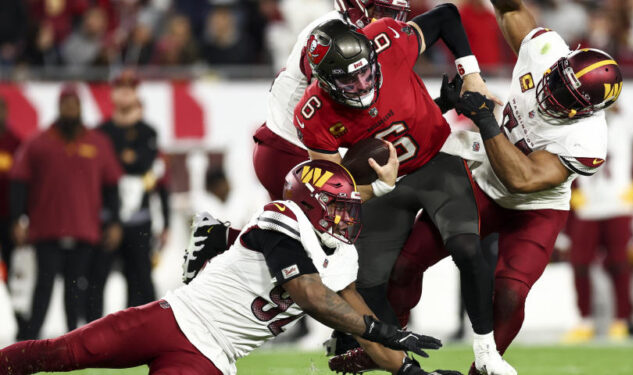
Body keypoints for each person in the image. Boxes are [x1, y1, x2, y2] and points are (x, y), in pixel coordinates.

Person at [0, 160, 455, 375]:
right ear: (310, 205)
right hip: (171, 318)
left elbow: (361, 324)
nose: (347, 218)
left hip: (211, 358)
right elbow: (309, 295)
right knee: (61, 352)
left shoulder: (340, 256)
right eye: (337, 208)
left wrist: (412, 373)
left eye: (348, 209)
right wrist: (380, 331)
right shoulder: (285, 218)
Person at [375, 0, 623, 372]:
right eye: (556, 80)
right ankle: (391, 353)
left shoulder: (587, 140)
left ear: (588, 111)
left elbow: (522, 180)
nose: (551, 94)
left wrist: (484, 120)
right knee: (403, 267)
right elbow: (509, 10)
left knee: (508, 294)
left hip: (535, 208)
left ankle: (481, 371)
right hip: (481, 180)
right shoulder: (545, 50)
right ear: (561, 62)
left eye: (566, 99)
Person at [294, 9, 513, 374]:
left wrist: (470, 74)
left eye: (366, 72)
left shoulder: (387, 41)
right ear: (326, 82)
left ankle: (487, 351)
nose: (362, 85)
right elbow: (334, 193)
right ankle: (403, 365)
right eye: (349, 82)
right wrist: (379, 185)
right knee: (366, 283)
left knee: (467, 247)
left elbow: (447, 16)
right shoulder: (313, 113)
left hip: (436, 158)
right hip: (384, 185)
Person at [254, 0, 412, 201]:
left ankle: (220, 233)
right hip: (292, 149)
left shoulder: (350, 32)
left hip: (284, 146)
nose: (389, 22)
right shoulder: (332, 36)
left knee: (287, 230)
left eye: (395, 15)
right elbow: (342, 104)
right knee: (342, 216)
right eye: (383, 12)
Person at [10, 85, 123, 340]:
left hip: (84, 228)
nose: (71, 109)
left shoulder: (98, 143)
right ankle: (28, 341)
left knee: (76, 289)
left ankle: (75, 345)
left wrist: (114, 222)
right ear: (59, 107)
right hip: (46, 229)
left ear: (81, 107)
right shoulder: (38, 143)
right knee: (43, 288)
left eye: (75, 104)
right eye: (66, 104)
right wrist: (18, 219)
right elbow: (19, 183)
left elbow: (112, 187)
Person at [562, 103, 633, 343]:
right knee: (580, 262)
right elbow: (560, 157)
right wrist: (572, 188)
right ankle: (584, 320)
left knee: (620, 263)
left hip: (618, 203)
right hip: (588, 205)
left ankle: (621, 320)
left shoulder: (628, 122)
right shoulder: (576, 123)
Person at [87, 71, 171, 321]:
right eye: (120, 89)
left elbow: (155, 174)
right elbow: (107, 171)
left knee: (141, 279)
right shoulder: (100, 132)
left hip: (139, 218)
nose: (125, 93)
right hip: (105, 217)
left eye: (130, 89)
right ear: (112, 94)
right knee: (96, 278)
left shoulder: (148, 132)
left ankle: (140, 334)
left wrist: (165, 222)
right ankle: (91, 334)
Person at [0, 97, 21, 283]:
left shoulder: (15, 143)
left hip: (8, 215)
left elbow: (22, 182)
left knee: (10, 260)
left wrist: (20, 217)